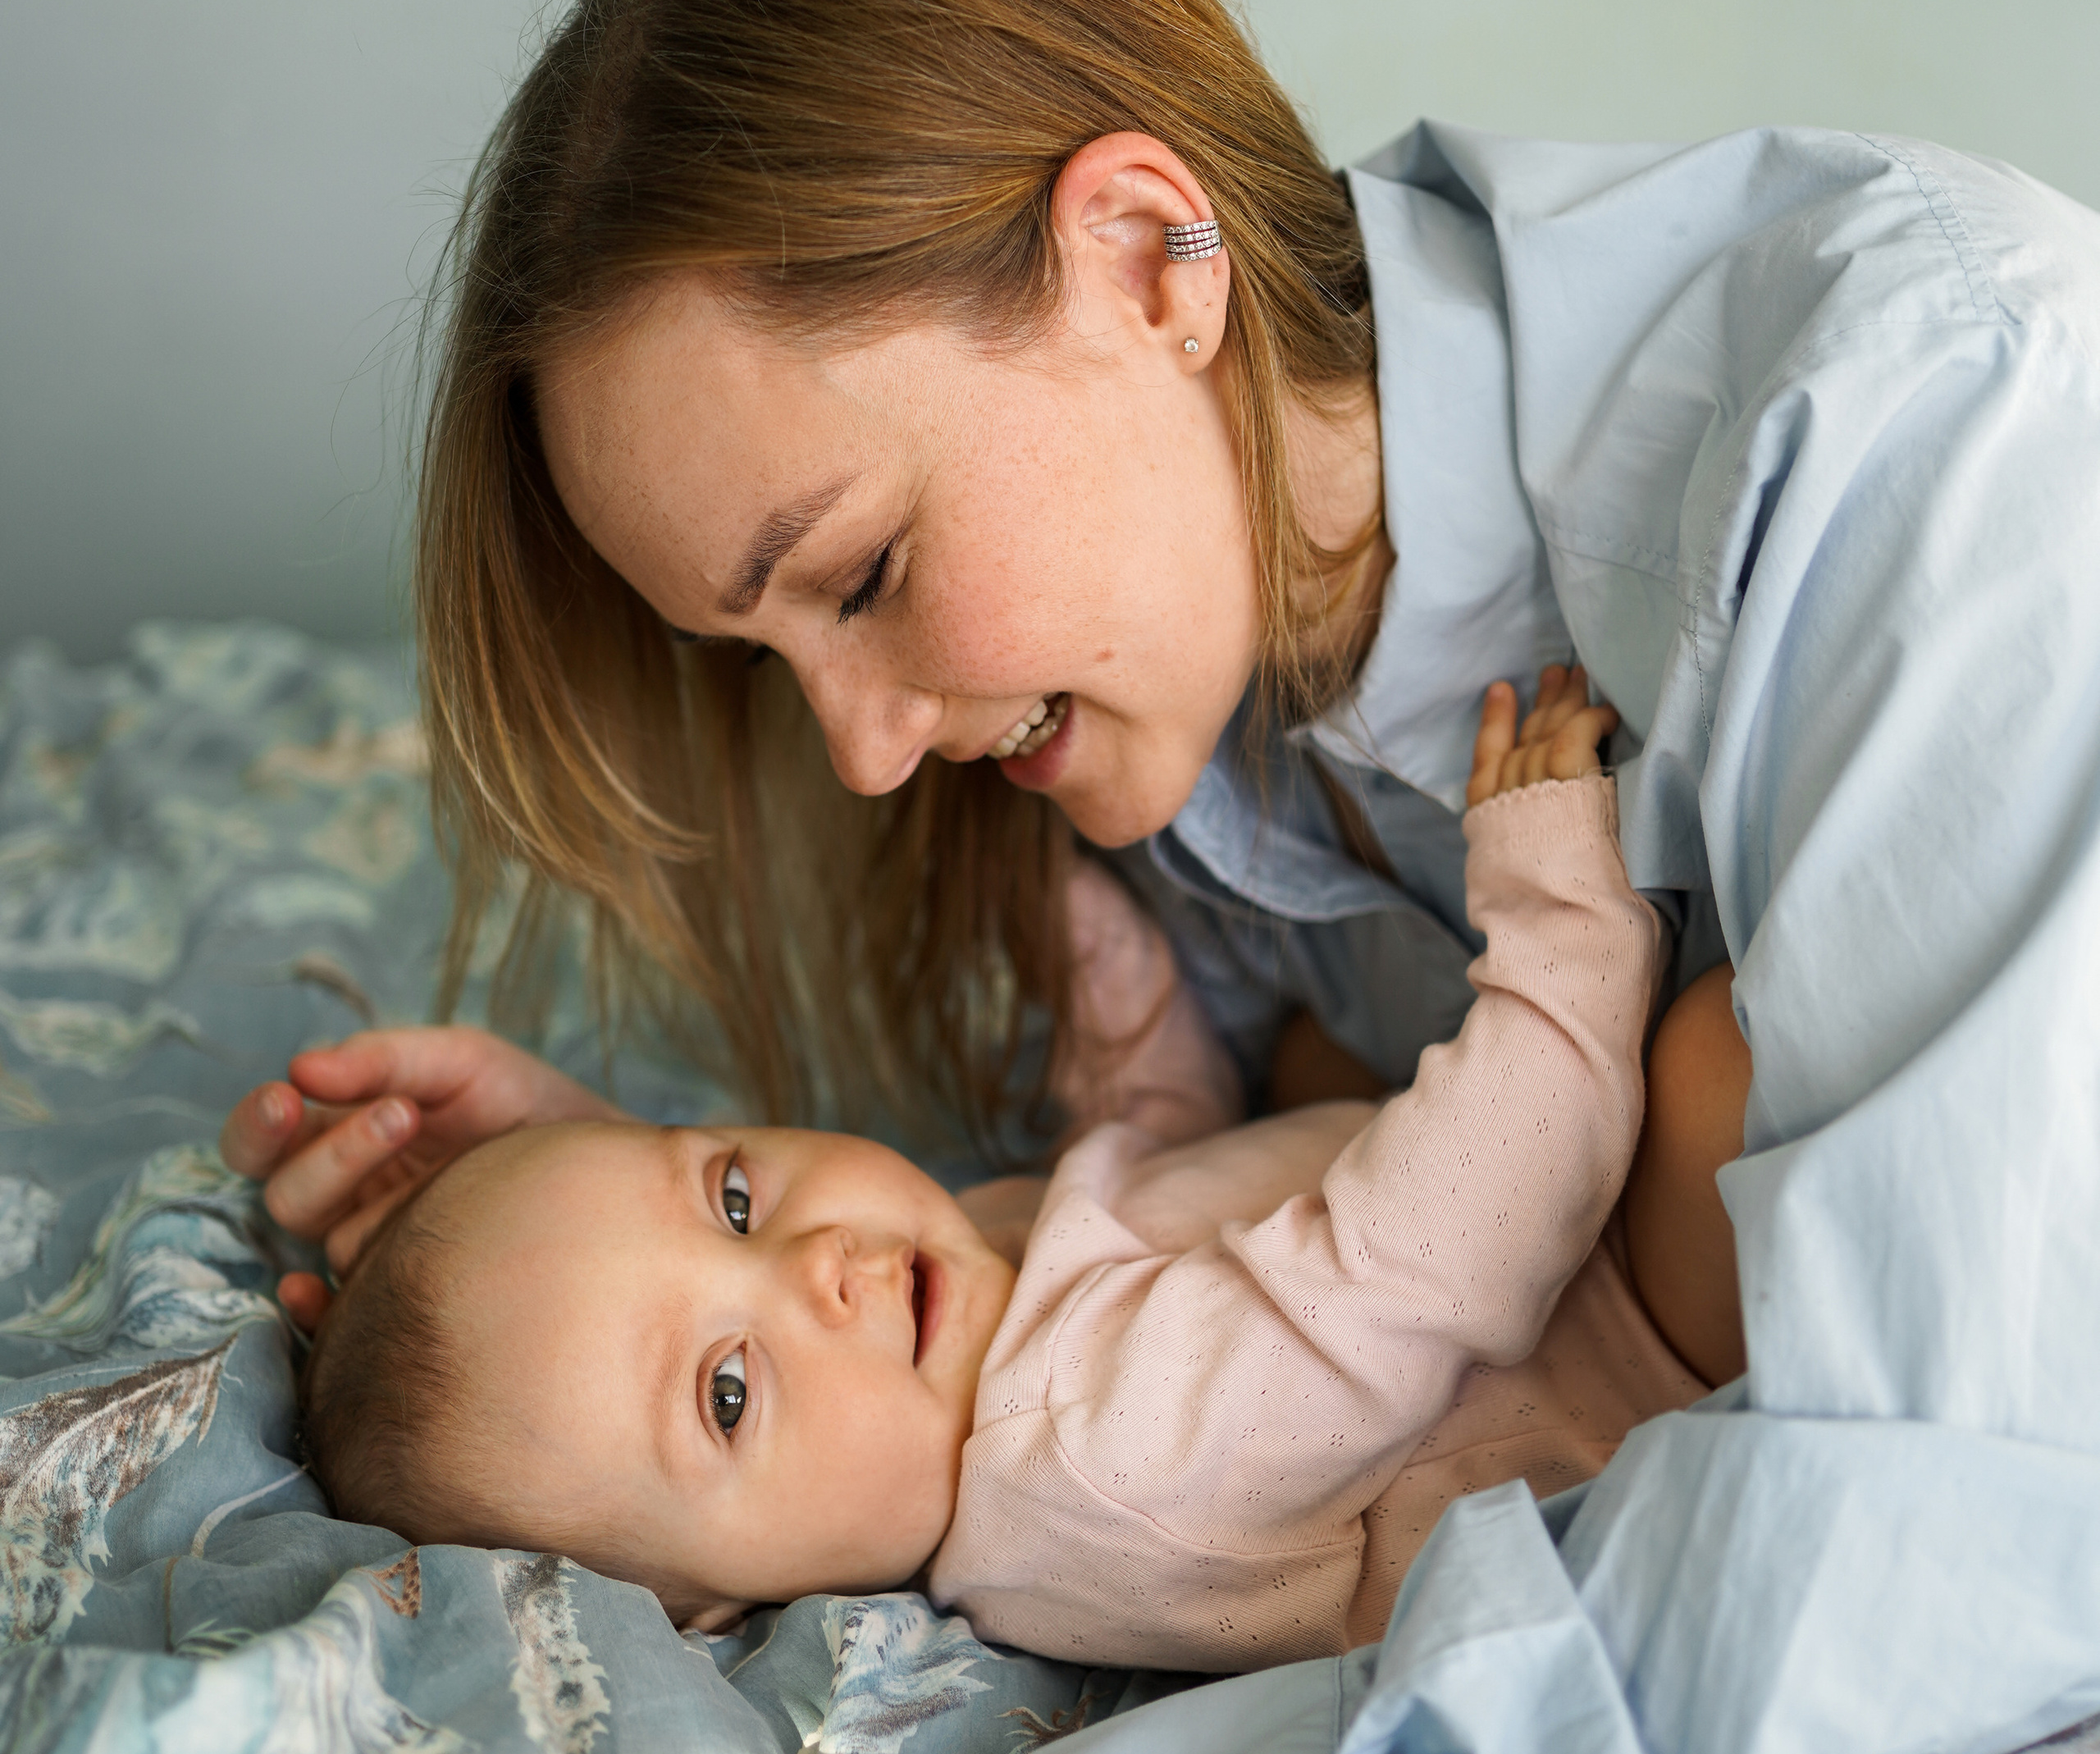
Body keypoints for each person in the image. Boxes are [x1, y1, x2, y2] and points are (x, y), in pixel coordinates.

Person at [224, 0, 2100, 1754]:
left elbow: (1939, 1507)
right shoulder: (1202, 672)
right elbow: (1175, 1219)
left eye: (869, 572)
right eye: (770, 645)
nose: (873, 756)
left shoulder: (1928, 431)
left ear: (1145, 259)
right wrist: (608, 1261)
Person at [281, 673, 1721, 1674]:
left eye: (731, 1199)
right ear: (712, 1613)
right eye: (727, 1391)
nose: (810, 1271)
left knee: (1300, 1069)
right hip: (1632, 1335)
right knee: (1716, 1064)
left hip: (1494, 1256)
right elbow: (1445, 1247)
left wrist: (1094, 961)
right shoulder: (1102, 1455)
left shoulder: (946, 1343)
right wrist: (1558, 918)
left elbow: (1147, 1178)